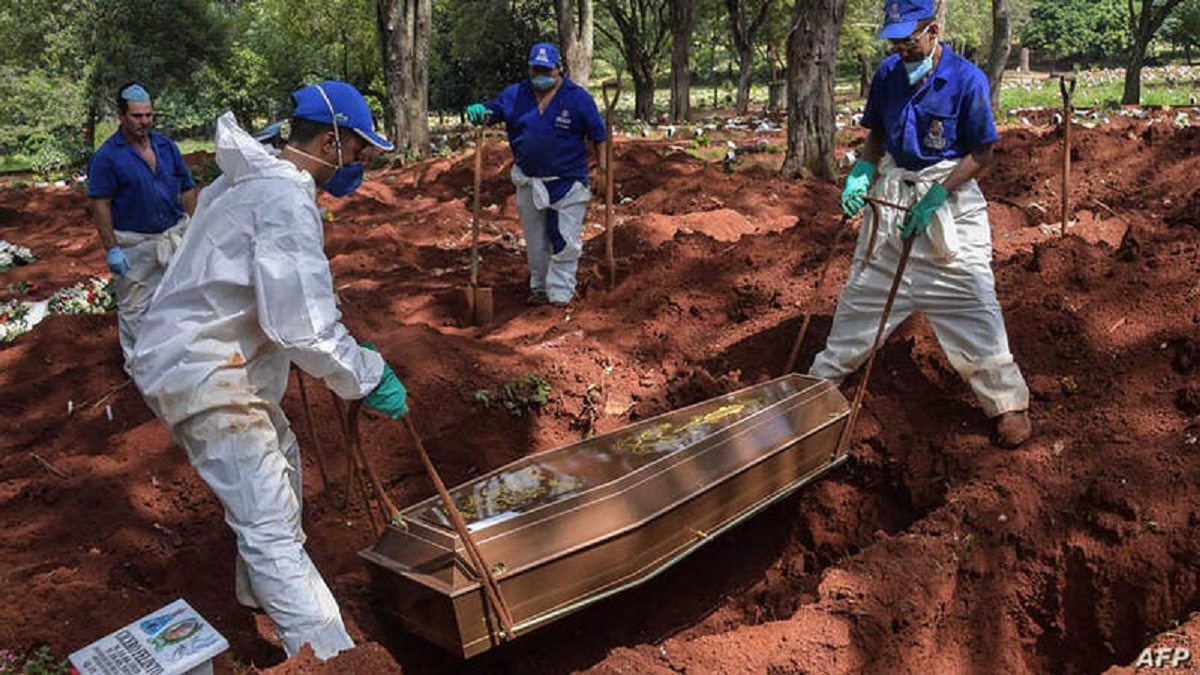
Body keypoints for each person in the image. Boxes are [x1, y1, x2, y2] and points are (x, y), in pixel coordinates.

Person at [130, 80, 409, 660]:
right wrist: (365, 374)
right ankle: (331, 659)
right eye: (358, 151)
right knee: (268, 524)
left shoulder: (248, 182)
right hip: (205, 369)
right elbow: (302, 327)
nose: (359, 163)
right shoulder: (282, 201)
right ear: (331, 141)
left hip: (208, 356)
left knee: (282, 459)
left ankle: (259, 596)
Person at [810, 0, 1032, 449]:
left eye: (909, 40)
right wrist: (861, 172)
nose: (902, 49)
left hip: (947, 199)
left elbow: (982, 151)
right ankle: (820, 384)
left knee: (972, 299)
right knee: (864, 292)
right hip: (894, 197)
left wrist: (938, 194)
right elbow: (875, 135)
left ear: (933, 30)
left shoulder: (967, 80)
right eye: (895, 41)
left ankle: (1007, 403)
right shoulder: (889, 75)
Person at [466, 42, 607, 306]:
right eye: (535, 70)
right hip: (529, 179)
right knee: (535, 238)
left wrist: (603, 168)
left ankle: (561, 292)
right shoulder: (515, 95)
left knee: (564, 237)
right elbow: (494, 110)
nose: (540, 75)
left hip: (568, 180)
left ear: (558, 69)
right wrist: (481, 112)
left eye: (546, 70)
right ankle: (540, 287)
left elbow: (599, 136)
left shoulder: (577, 99)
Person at [87, 82, 198, 370]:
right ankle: (140, 368)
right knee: (135, 307)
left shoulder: (166, 146)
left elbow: (186, 188)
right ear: (121, 116)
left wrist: (196, 226)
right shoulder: (107, 156)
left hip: (173, 234)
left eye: (148, 115)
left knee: (179, 298)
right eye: (137, 116)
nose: (144, 121)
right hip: (134, 243)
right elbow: (101, 204)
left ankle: (177, 359)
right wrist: (112, 249)